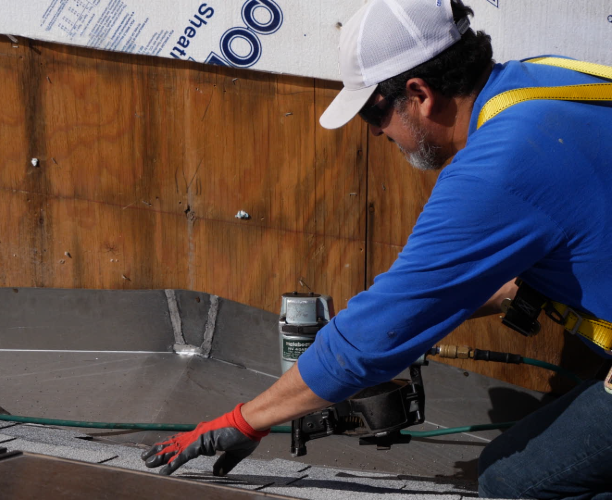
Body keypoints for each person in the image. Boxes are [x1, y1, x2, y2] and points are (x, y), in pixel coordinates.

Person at [142, 0, 612, 497]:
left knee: (513, 481)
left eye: (374, 111)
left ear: (419, 94)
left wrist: (246, 419)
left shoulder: (498, 169)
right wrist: (421, 324)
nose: (373, 130)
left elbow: (373, 337)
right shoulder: (544, 80)